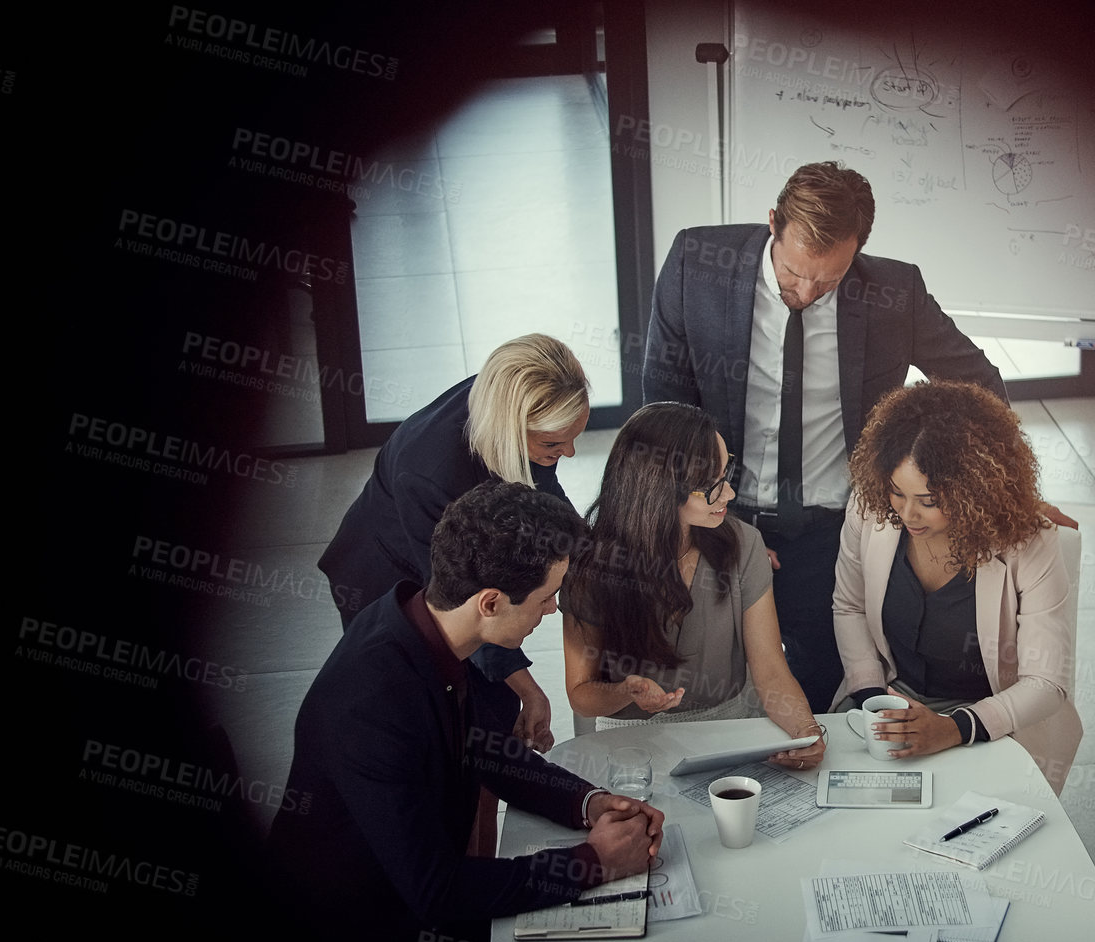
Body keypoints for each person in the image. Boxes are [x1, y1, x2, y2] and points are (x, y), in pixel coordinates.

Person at [268, 480, 664, 942]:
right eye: (546, 597)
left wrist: (590, 803)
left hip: (411, 902)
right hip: (361, 941)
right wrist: (594, 862)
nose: (552, 610)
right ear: (490, 602)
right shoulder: (372, 699)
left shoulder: (425, 629)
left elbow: (489, 754)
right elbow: (436, 889)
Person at [642, 160, 1030, 714]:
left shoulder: (894, 290)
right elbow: (662, 409)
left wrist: (1009, 486)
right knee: (705, 689)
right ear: (773, 222)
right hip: (721, 517)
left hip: (833, 530)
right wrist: (705, 519)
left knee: (826, 686)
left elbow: (980, 384)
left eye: (828, 279)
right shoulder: (696, 264)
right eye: (794, 273)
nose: (806, 291)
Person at [318, 333, 591, 750]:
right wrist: (532, 691)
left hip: (455, 567)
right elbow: (466, 606)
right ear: (510, 428)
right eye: (554, 444)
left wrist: (595, 554)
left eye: (574, 437)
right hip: (387, 574)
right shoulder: (430, 473)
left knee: (493, 713)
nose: (569, 453)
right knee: (440, 725)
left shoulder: (508, 398)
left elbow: (544, 491)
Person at [833, 381, 1083, 793]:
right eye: (898, 493)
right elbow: (849, 606)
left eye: (928, 501)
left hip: (995, 721)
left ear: (974, 492)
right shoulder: (869, 508)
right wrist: (873, 699)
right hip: (892, 697)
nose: (907, 514)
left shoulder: (1031, 544)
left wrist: (954, 728)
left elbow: (1046, 683)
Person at [559, 402, 827, 770]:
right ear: (658, 489)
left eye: (726, 474)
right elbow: (581, 694)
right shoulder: (592, 567)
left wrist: (805, 730)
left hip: (729, 728)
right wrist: (625, 691)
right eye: (712, 487)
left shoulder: (743, 543)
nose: (730, 495)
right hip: (629, 744)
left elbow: (770, 669)